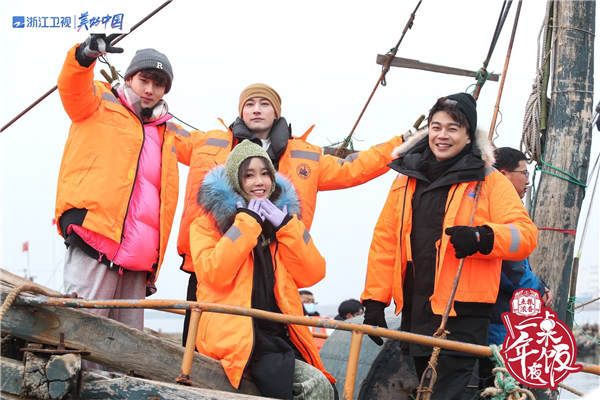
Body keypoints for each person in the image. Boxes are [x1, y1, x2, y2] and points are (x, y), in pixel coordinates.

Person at [179, 83, 406, 344]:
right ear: (240, 111)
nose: (256, 110)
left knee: (269, 341)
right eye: (249, 104)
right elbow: (163, 137)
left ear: (276, 112)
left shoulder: (306, 157)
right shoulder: (209, 142)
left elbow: (354, 168)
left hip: (274, 266)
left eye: (264, 104)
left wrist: (401, 145)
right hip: (217, 260)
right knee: (195, 345)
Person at [360, 93, 538, 400]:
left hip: (463, 313)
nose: (442, 135)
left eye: (453, 128)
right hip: (417, 310)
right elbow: (385, 241)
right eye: (436, 126)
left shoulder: (489, 180)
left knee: (447, 393)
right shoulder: (406, 178)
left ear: (469, 135)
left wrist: (483, 238)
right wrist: (375, 300)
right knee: (427, 389)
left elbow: (525, 235)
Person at [55, 34, 192, 331]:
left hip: (139, 259)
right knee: (79, 332)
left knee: (125, 347)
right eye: (144, 80)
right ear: (129, 77)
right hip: (94, 237)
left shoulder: (168, 131)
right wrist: (84, 55)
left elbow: (206, 149)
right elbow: (71, 87)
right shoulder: (98, 100)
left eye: (158, 84)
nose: (149, 89)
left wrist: (246, 137)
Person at [190, 140, 335, 399]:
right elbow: (214, 275)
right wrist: (246, 223)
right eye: (249, 175)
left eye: (265, 173)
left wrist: (287, 227)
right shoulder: (206, 224)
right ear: (236, 180)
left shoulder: (281, 222)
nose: (259, 181)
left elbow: (313, 273)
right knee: (315, 386)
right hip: (236, 338)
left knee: (324, 387)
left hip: (279, 337)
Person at [478, 147, 552, 388]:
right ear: (503, 174)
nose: (528, 182)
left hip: (496, 319)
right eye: (524, 173)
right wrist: (539, 289)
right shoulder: (500, 213)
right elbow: (512, 270)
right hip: (499, 321)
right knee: (503, 384)